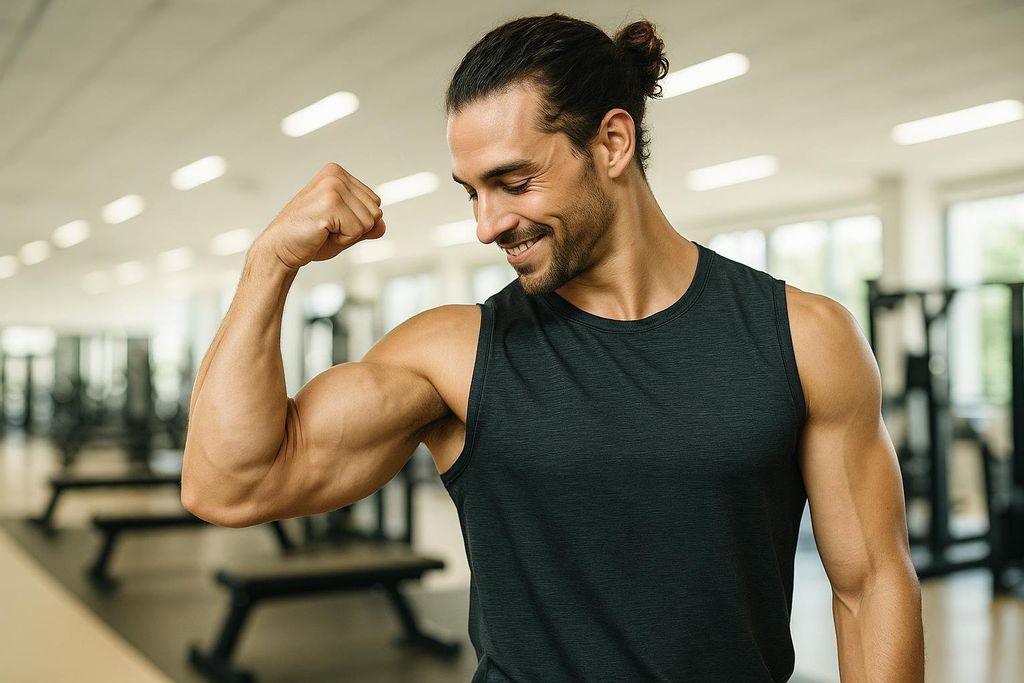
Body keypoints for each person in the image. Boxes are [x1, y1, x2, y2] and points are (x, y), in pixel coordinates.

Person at [182, 13, 924, 683]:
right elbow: (230, 483)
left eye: (513, 181)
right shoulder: (455, 354)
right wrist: (270, 262)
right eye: (471, 190)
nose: (486, 223)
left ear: (611, 142)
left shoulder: (801, 336)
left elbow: (871, 586)